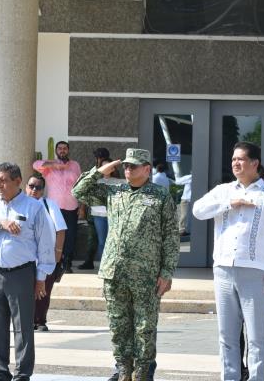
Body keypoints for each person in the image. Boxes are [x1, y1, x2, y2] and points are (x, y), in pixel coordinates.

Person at [72, 148, 179, 381]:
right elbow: (78, 190)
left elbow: (171, 236)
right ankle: (122, 370)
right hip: (115, 271)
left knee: (144, 328)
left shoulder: (160, 196)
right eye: (126, 165)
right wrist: (101, 170)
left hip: (146, 274)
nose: (128, 169)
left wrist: (167, 272)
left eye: (134, 165)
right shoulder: (114, 191)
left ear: (147, 169)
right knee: (118, 325)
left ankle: (142, 372)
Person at [192, 141, 264, 381]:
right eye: (233, 159)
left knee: (256, 336)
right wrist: (229, 204)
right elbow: (197, 210)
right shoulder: (224, 190)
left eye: (241, 159)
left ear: (254, 163)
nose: (236, 163)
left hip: (255, 272)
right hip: (224, 269)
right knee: (227, 334)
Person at [0, 162, 56, 381]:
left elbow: (46, 244)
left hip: (21, 272)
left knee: (23, 327)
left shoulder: (33, 207)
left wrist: (41, 279)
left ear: (18, 182)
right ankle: (0, 372)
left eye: (4, 180)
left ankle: (22, 374)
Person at [33, 140, 83, 273]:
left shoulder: (75, 165)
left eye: (65, 148)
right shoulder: (49, 165)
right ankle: (55, 263)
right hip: (54, 208)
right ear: (56, 151)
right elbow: (35, 165)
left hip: (72, 207)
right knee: (53, 235)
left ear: (68, 150)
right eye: (59, 148)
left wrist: (82, 206)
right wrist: (55, 165)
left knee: (70, 236)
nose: (62, 151)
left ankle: (67, 263)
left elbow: (81, 185)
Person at [25, 174, 67, 332]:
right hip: (25, 257)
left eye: (38, 187)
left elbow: (61, 230)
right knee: (26, 290)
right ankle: (26, 320)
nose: (34, 190)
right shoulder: (20, 204)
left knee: (43, 290)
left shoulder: (49, 205)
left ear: (43, 191)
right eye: (31, 186)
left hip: (46, 256)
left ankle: (40, 320)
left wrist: (58, 252)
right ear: (26, 187)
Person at [79, 147, 122, 270]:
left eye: (101, 158)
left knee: (112, 241)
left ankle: (112, 265)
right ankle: (101, 265)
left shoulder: (118, 180)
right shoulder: (94, 176)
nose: (99, 160)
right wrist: (82, 208)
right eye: (98, 158)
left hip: (112, 215)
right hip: (96, 214)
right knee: (98, 240)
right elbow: (83, 193)